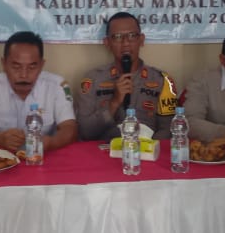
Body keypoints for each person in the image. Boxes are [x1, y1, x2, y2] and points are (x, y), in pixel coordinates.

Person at [0, 31, 78, 152]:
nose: (24, 75)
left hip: (43, 156)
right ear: (4, 64)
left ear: (41, 65)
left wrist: (51, 142)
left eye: (32, 67)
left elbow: (70, 129)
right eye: (16, 66)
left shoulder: (58, 85)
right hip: (2, 158)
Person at [76, 12, 179, 141]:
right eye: (118, 37)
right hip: (105, 149)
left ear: (141, 40)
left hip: (147, 150)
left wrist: (147, 148)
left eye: (132, 36)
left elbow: (168, 130)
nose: (125, 43)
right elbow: (85, 131)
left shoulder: (162, 80)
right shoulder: (92, 80)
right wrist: (114, 103)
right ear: (107, 43)